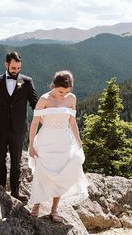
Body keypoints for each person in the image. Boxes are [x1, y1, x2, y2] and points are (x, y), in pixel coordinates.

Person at [28, 70, 89, 222]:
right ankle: (36, 204)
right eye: (61, 91)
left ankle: (54, 210)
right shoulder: (44, 99)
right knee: (41, 172)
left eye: (67, 91)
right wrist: (31, 146)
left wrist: (79, 143)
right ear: (54, 86)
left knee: (62, 174)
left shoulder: (72, 98)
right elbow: (35, 123)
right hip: (46, 140)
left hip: (64, 141)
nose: (64, 94)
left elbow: (72, 122)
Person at [0, 51, 38, 202]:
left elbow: (35, 102)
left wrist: (49, 109)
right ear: (6, 64)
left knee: (17, 161)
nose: (16, 71)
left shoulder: (27, 82)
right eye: (13, 68)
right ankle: (1, 188)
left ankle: (15, 191)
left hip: (19, 128)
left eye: (19, 68)